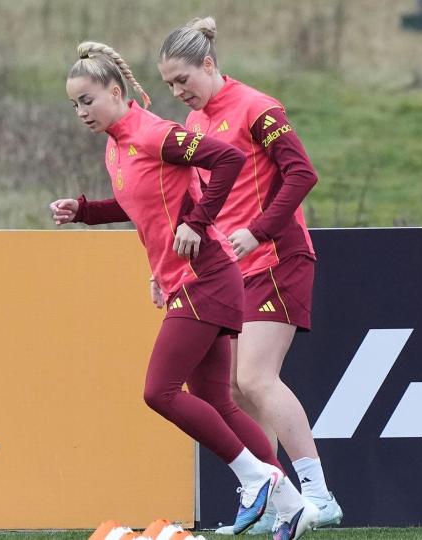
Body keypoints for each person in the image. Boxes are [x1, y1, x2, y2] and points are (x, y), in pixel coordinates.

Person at [51, 41, 317, 540]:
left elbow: (230, 160)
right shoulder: (116, 144)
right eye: (74, 104)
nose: (81, 111)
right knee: (218, 401)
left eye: (87, 100)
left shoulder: (154, 133)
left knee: (160, 392)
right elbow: (141, 206)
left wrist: (198, 222)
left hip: (207, 277)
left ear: (116, 90)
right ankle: (289, 504)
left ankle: (258, 478)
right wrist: (85, 211)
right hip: (190, 279)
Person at [157, 17, 341, 535]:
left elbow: (303, 173)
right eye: (168, 85)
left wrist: (259, 231)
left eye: (183, 80)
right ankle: (275, 497)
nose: (177, 93)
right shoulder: (194, 127)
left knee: (255, 378)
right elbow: (200, 206)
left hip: (278, 256)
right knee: (234, 392)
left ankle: (319, 496)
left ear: (209, 65)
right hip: (231, 270)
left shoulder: (257, 107)